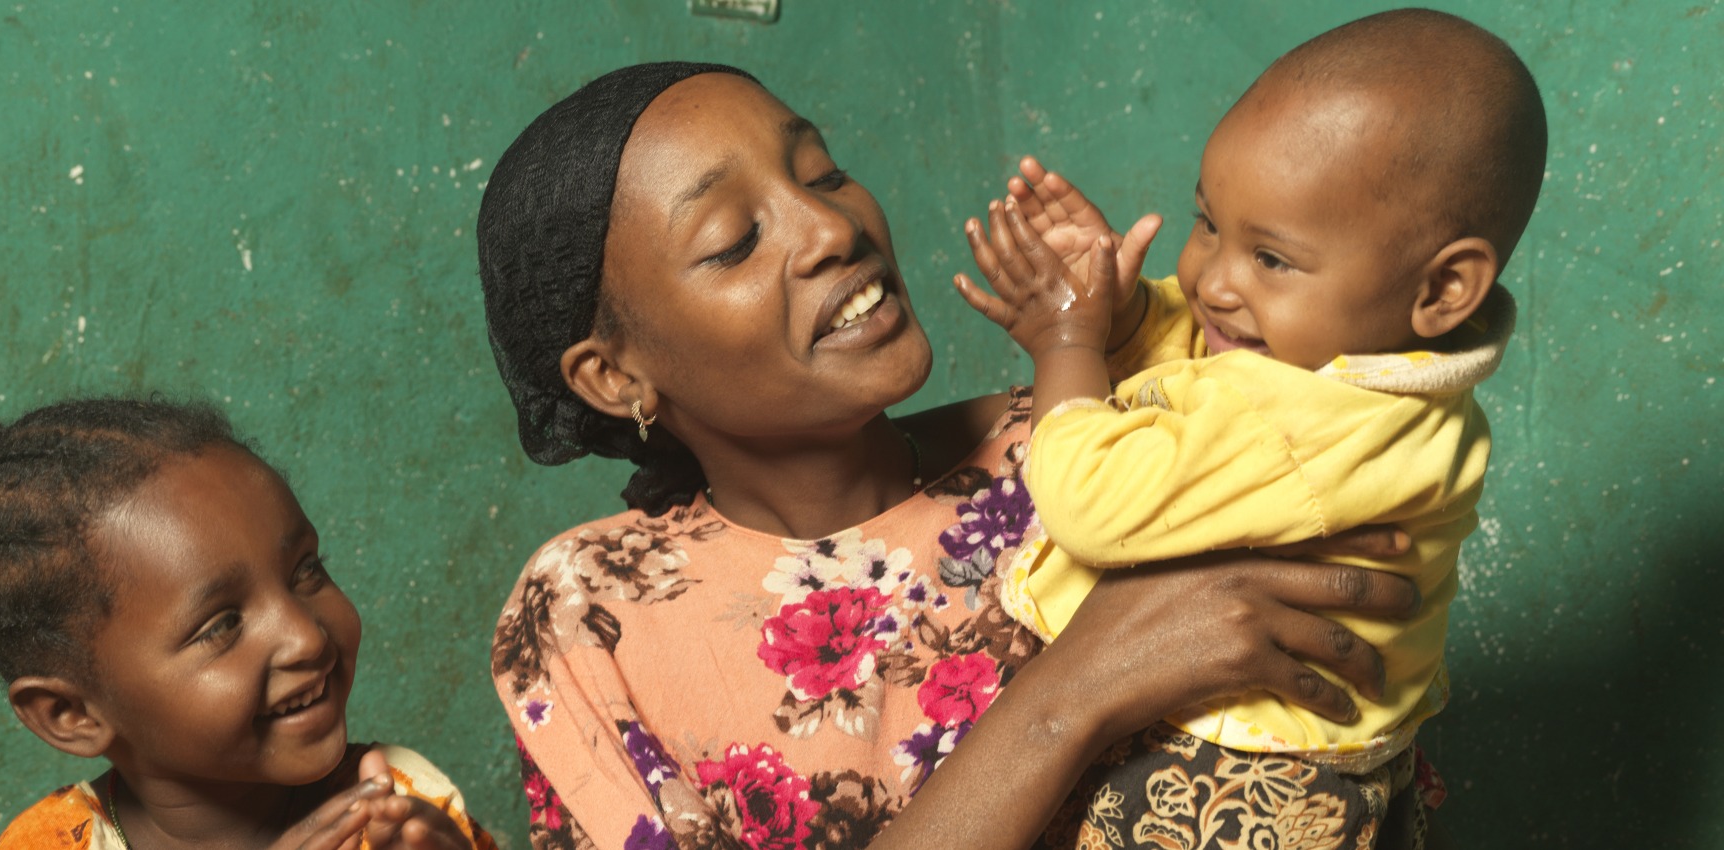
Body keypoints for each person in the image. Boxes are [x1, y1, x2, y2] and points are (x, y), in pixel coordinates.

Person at [479, 62, 1431, 850]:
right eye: (735, 242)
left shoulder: (1107, 440)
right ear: (614, 377)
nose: (833, 230)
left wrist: (1121, 330)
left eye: (822, 174)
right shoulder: (585, 614)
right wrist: (1078, 690)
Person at [953, 8, 1543, 844]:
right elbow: (1207, 375)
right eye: (1208, 224)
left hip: (1222, 781)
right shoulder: (1375, 376)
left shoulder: (1306, 426)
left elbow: (1088, 502)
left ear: (1445, 290)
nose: (1212, 281)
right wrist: (1120, 319)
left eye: (1270, 258)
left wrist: (1067, 344)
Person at [0, 397, 496, 850]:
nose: (307, 636)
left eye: (306, 569)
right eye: (220, 625)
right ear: (71, 715)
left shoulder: (400, 810)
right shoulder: (52, 843)